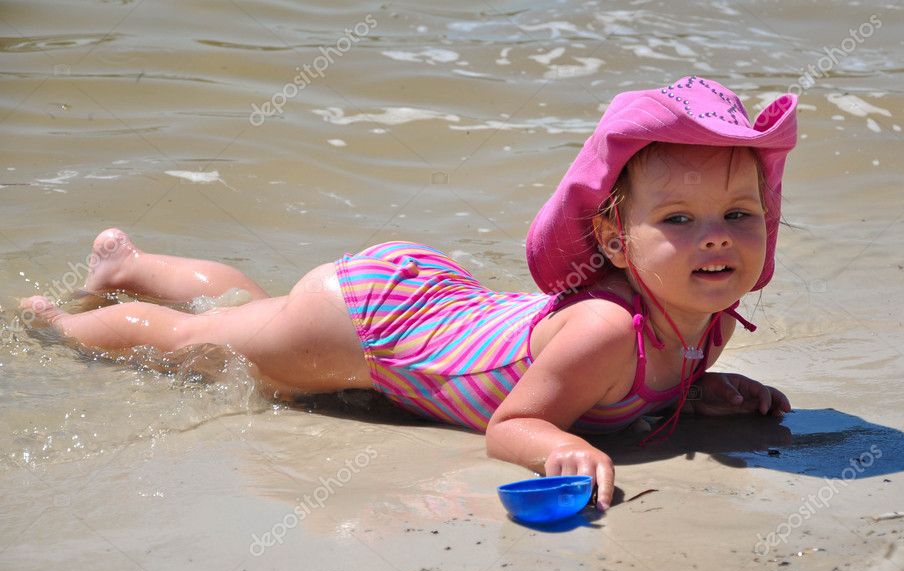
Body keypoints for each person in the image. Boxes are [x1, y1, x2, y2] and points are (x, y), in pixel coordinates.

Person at [20, 76, 797, 511]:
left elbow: (632, 387)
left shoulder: (712, 317)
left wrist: (697, 392)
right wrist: (559, 445)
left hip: (435, 308)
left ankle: (126, 264)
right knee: (199, 343)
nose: (717, 238)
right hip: (365, 325)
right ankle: (64, 322)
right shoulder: (601, 331)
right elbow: (513, 423)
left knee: (239, 318)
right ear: (616, 242)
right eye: (680, 220)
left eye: (738, 214)